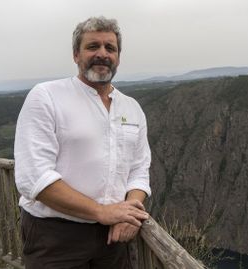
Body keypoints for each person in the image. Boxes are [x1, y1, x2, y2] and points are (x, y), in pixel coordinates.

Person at [14, 16, 151, 268]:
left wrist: (129, 213)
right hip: (56, 237)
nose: (102, 53)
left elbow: (139, 170)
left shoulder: (132, 108)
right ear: (76, 54)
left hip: (113, 237)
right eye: (92, 46)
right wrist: (102, 212)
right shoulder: (46, 96)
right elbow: (34, 177)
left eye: (110, 48)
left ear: (118, 57)